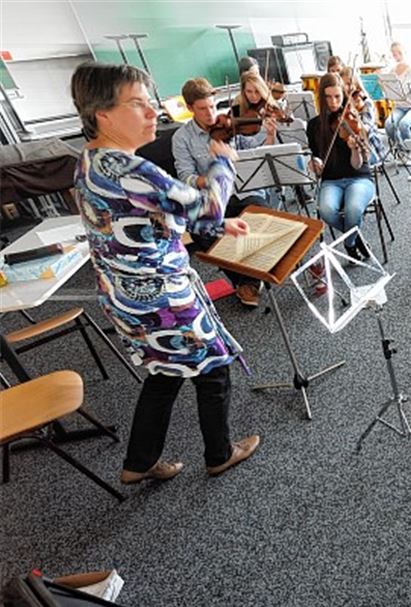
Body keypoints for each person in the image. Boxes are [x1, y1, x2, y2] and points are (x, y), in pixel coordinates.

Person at [70, 62, 260, 485]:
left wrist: (216, 225)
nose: (153, 112)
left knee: (166, 370)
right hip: (161, 299)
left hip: (124, 297)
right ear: (103, 114)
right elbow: (208, 204)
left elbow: (145, 215)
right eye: (138, 104)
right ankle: (219, 453)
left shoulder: (89, 160)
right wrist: (222, 164)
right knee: (213, 365)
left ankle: (138, 462)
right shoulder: (130, 168)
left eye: (151, 102)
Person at [172, 77, 276, 307]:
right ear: (190, 108)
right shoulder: (181, 138)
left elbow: (254, 149)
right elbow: (185, 176)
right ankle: (244, 280)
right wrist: (214, 176)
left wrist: (268, 135)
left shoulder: (229, 123)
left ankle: (256, 272)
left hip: (245, 188)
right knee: (204, 233)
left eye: (212, 106)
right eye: (202, 109)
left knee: (263, 213)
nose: (210, 114)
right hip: (216, 198)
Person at [306, 72, 376, 262]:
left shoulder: (353, 119)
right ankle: (357, 236)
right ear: (321, 98)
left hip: (359, 178)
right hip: (331, 181)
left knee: (353, 209)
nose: (333, 102)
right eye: (328, 97)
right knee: (326, 210)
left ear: (344, 95)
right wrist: (315, 164)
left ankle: (349, 244)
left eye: (337, 96)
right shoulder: (314, 126)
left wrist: (354, 149)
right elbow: (317, 161)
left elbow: (358, 164)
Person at [384, 42, 411, 154]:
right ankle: (402, 150)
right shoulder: (392, 71)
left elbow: (407, 90)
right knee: (389, 125)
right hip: (400, 107)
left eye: (399, 53)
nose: (397, 56)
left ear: (405, 52)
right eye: (394, 54)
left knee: (404, 124)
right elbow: (389, 92)